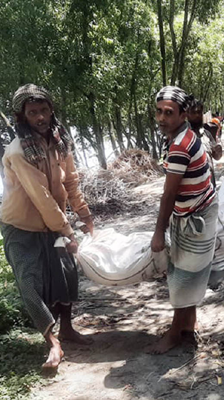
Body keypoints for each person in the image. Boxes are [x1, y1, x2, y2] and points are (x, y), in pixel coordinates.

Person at [1, 84, 94, 371]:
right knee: (31, 284)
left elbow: (71, 182)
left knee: (65, 273)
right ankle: (52, 342)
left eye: (44, 110)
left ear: (51, 111)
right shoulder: (18, 152)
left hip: (52, 224)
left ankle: (67, 329)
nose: (40, 117)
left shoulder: (59, 141)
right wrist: (67, 231)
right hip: (22, 227)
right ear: (22, 116)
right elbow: (40, 197)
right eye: (32, 112)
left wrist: (85, 215)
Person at [150, 86, 218, 354]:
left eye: (169, 113)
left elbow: (168, 194)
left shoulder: (180, 145)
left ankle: (176, 332)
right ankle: (189, 324)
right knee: (189, 272)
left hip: (195, 215)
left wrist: (158, 232)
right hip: (199, 210)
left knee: (182, 276)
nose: (162, 118)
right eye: (158, 112)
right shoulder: (184, 135)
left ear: (182, 115)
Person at [187, 99, 223, 186]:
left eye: (199, 112)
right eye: (193, 112)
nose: (197, 115)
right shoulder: (181, 136)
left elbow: (216, 156)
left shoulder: (206, 133)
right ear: (187, 114)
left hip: (210, 186)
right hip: (192, 191)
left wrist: (218, 152)